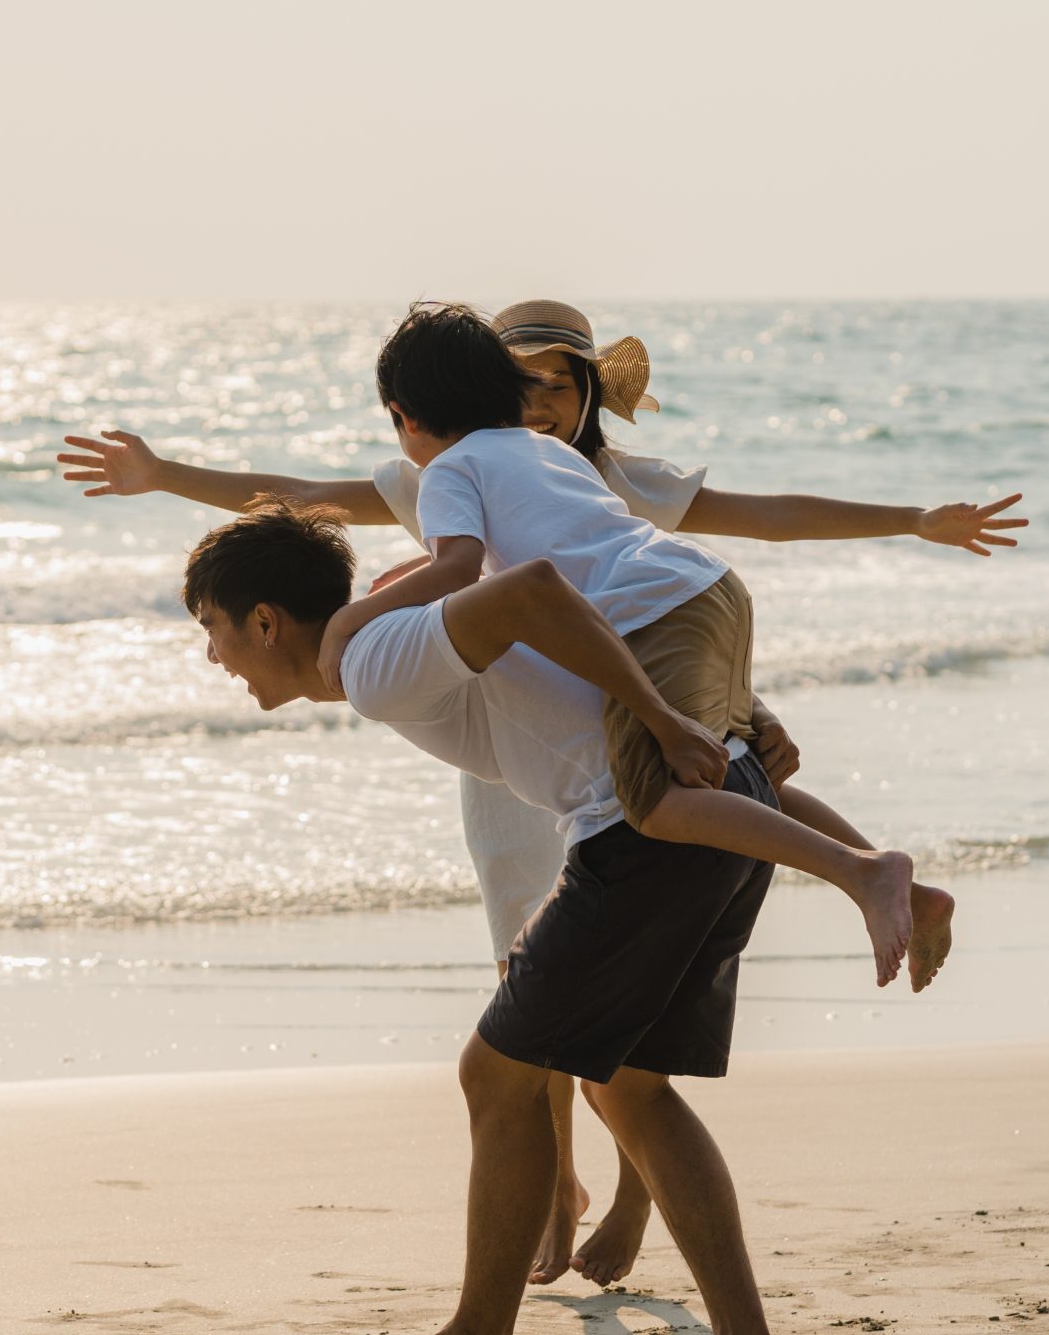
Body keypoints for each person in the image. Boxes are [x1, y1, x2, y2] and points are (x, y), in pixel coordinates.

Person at [60, 298, 1022, 1284]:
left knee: (630, 889)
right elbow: (303, 501)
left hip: (605, 686)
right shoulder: (513, 470)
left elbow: (712, 541)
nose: (543, 403)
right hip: (534, 713)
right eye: (528, 384)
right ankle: (557, 1186)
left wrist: (905, 527)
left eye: (561, 386)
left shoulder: (533, 476)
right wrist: (165, 475)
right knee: (539, 984)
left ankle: (859, 880)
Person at [181, 502, 797, 1335]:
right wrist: (744, 725)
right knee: (629, 1089)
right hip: (704, 818)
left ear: (265, 621)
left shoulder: (373, 658)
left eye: (213, 628)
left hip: (642, 835)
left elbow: (534, 589)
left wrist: (702, 724)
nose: (212, 655)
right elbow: (568, 620)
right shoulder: (388, 638)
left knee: (495, 1074)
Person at [321, 304, 963, 994]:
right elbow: (547, 559)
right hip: (701, 590)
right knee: (734, 775)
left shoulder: (448, 472)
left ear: (403, 416)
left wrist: (348, 621)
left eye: (559, 383)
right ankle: (896, 885)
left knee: (655, 801)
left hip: (639, 630)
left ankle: (866, 872)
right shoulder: (548, 457)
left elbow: (460, 570)